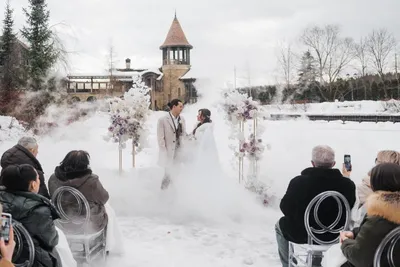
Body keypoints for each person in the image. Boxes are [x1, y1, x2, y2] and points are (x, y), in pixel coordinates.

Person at [275, 145, 356, 267]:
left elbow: (285, 208)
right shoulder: (348, 184)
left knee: (279, 225)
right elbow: (350, 208)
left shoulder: (298, 182)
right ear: (333, 163)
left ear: (312, 163)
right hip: (335, 235)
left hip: (303, 234)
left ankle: (287, 264)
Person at [340, 163, 400, 267]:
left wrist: (345, 242)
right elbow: (382, 231)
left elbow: (359, 258)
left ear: (374, 185)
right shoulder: (388, 215)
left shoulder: (378, 216)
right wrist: (355, 232)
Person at [0, 164, 61, 267]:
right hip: (31, 260)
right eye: (38, 178)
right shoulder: (39, 210)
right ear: (33, 184)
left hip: (5, 255)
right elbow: (51, 241)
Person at [48, 150, 109, 233]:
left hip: (62, 223)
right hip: (88, 224)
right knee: (108, 210)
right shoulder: (91, 181)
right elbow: (104, 198)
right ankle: (109, 243)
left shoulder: (53, 178)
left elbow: (52, 198)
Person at [157, 99, 186, 189]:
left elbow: (183, 134)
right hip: (168, 152)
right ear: (174, 107)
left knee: (176, 173)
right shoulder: (162, 120)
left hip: (178, 152)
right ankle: (163, 192)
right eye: (180, 106)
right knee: (168, 174)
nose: (182, 108)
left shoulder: (182, 119)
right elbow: (160, 139)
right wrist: (164, 153)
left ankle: (173, 194)